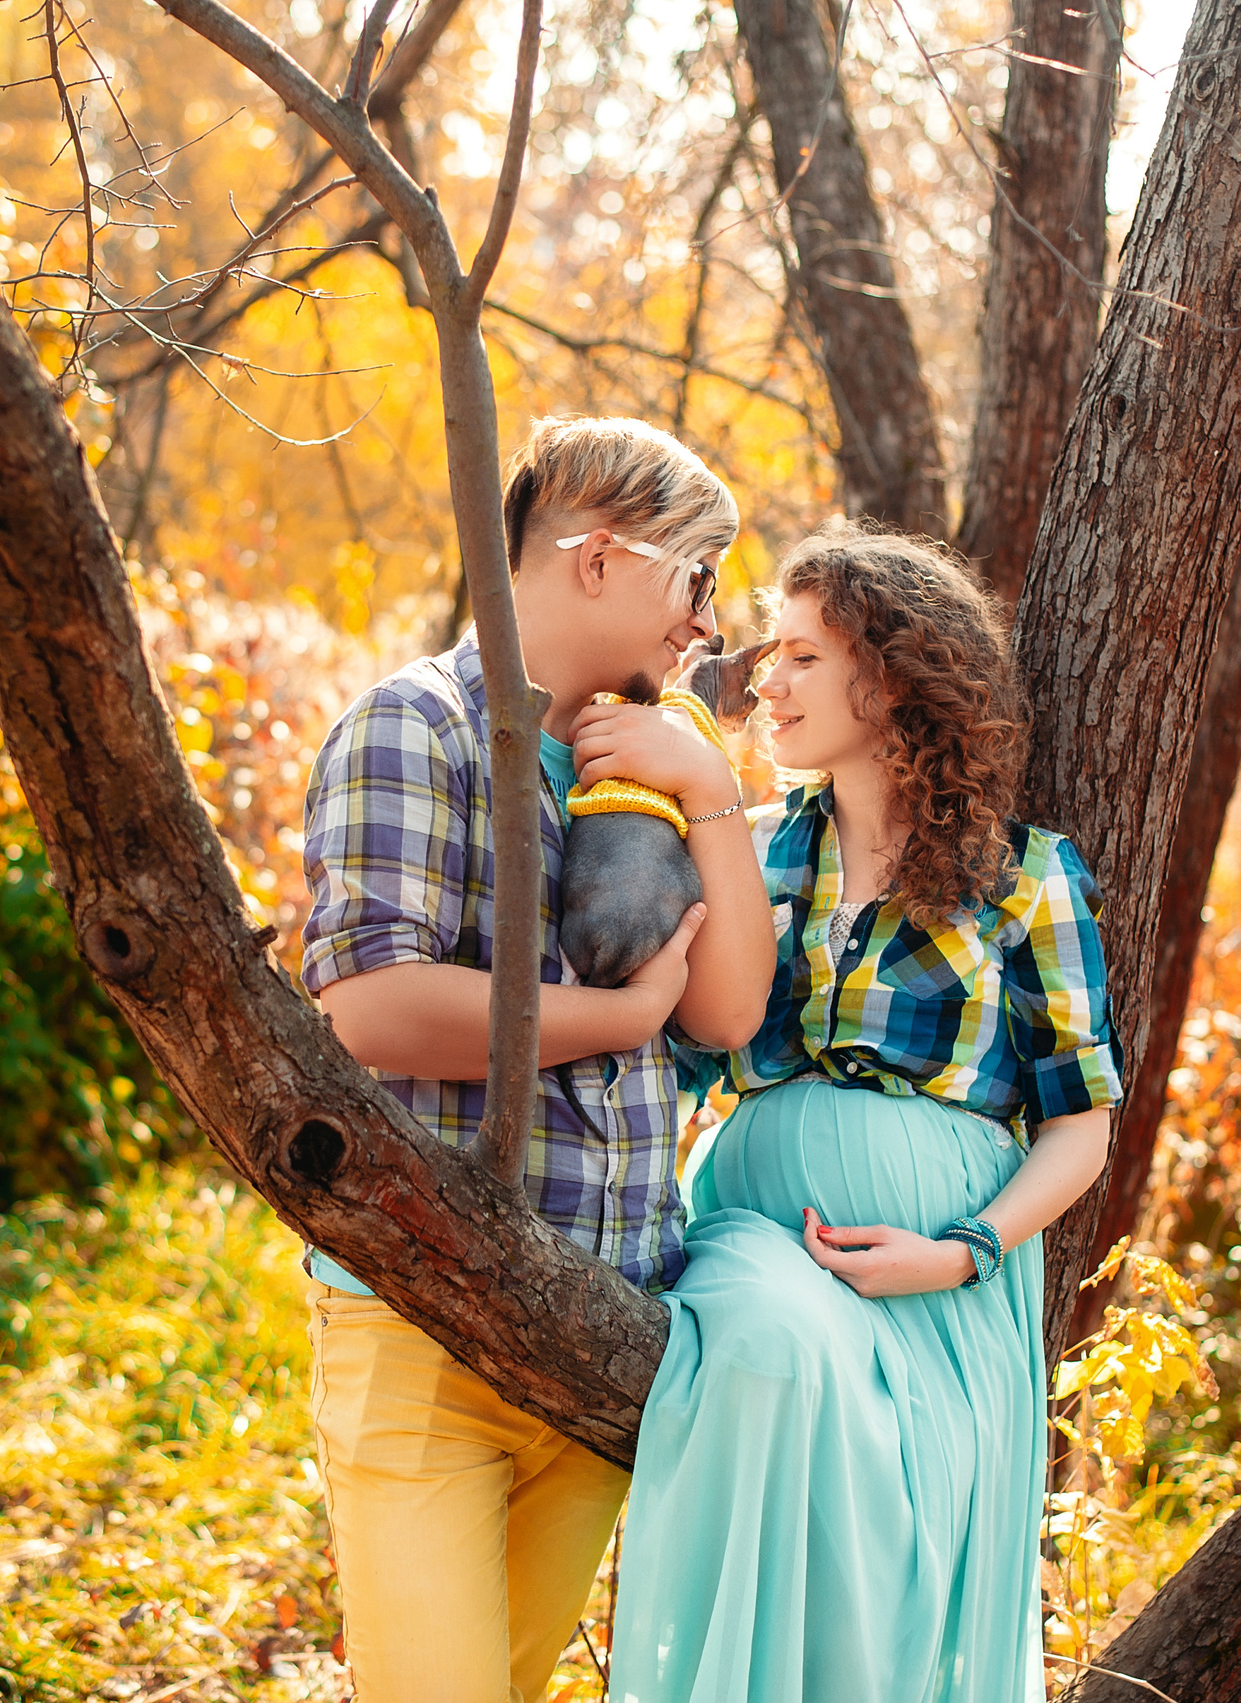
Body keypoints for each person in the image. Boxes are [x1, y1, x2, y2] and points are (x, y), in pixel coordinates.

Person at [299, 416, 776, 1703]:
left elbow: (727, 1012)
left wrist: (710, 784)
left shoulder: (658, 755)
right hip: (425, 1317)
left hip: (605, 1326)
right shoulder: (416, 727)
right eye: (696, 577)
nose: (707, 621)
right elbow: (371, 1006)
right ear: (599, 557)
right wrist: (613, 1020)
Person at [609, 521, 1124, 1703]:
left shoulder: (1027, 875)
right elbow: (675, 1054)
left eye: (802, 655)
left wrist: (960, 1250)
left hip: (946, 1290)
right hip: (760, 1230)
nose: (766, 681)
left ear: (891, 676)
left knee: (891, 1570)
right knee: (766, 1351)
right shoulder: (747, 851)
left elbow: (1078, 1124)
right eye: (769, 654)